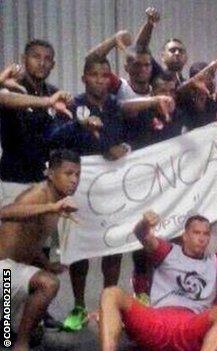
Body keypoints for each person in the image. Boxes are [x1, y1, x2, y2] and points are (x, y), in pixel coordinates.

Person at [99, 212, 217, 351]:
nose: (201, 238)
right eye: (196, 233)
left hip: (189, 327)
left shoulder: (215, 260)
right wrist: (144, 223)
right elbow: (141, 234)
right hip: (156, 322)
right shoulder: (167, 251)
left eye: (206, 234)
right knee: (111, 293)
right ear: (185, 235)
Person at [47, 56, 130, 332]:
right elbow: (54, 139)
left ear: (110, 79)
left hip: (110, 186)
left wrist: (113, 144)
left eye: (105, 75)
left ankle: (108, 303)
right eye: (94, 75)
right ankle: (79, 305)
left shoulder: (115, 107)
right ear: (84, 78)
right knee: (80, 247)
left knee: (113, 246)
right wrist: (81, 126)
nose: (99, 79)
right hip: (78, 184)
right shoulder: (72, 105)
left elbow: (114, 144)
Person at [0, 149, 81, 351]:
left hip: (11, 271)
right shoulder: (39, 194)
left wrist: (47, 265)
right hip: (4, 269)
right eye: (68, 173)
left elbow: (28, 241)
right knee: (48, 284)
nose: (74, 180)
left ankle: (9, 329)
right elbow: (5, 213)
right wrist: (51, 208)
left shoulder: (55, 200)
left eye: (78, 174)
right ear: (51, 175)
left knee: (22, 330)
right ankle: (21, 345)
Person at [0, 40, 73, 206]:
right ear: (24, 58)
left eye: (47, 59)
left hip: (45, 181)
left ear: (53, 64)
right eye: (36, 57)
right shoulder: (11, 87)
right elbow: (5, 99)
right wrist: (46, 102)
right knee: (13, 230)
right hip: (14, 180)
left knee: (44, 231)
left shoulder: (55, 93)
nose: (42, 63)